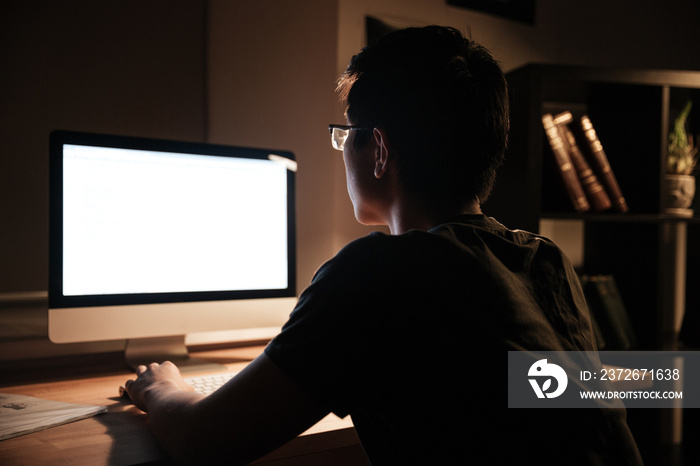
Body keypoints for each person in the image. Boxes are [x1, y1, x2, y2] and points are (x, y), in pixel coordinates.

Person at [124, 26, 642, 465]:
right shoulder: (544, 259)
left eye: (346, 132)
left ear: (379, 149)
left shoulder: (377, 276)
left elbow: (200, 440)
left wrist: (160, 387)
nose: (342, 148)